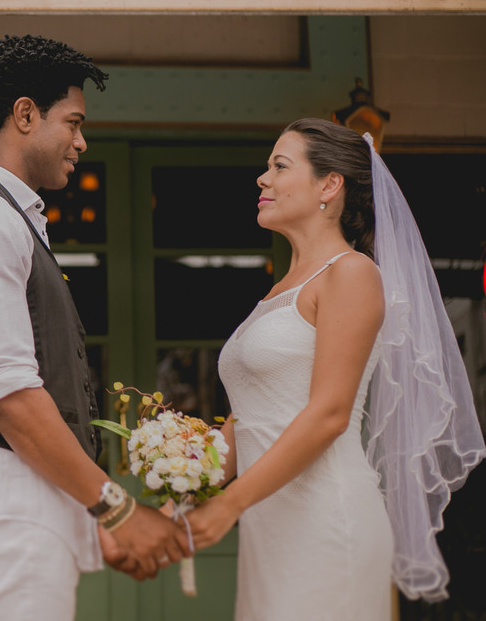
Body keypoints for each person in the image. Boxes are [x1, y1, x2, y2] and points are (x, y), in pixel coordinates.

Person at [0, 34, 191, 621]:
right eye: (72, 122)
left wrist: (92, 527)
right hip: (5, 501)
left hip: (25, 500)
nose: (81, 141)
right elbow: (12, 397)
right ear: (25, 114)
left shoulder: (10, 218)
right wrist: (120, 509)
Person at [187, 118, 485, 619]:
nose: (262, 179)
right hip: (269, 523)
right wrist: (184, 470)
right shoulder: (279, 291)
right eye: (266, 168)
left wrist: (230, 503)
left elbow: (329, 413)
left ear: (330, 184)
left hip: (326, 516)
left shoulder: (352, 274)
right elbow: (253, 413)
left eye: (279, 166)